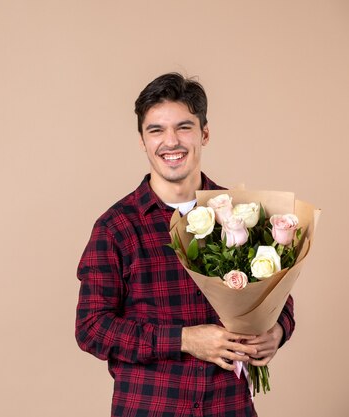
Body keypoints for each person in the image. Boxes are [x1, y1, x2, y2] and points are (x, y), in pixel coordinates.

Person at [75, 73, 295, 417]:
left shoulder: (241, 214)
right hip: (149, 408)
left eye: (184, 127)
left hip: (230, 407)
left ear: (204, 134)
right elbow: (91, 328)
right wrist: (184, 339)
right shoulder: (115, 227)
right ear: (142, 141)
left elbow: (277, 297)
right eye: (156, 130)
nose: (171, 141)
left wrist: (278, 331)